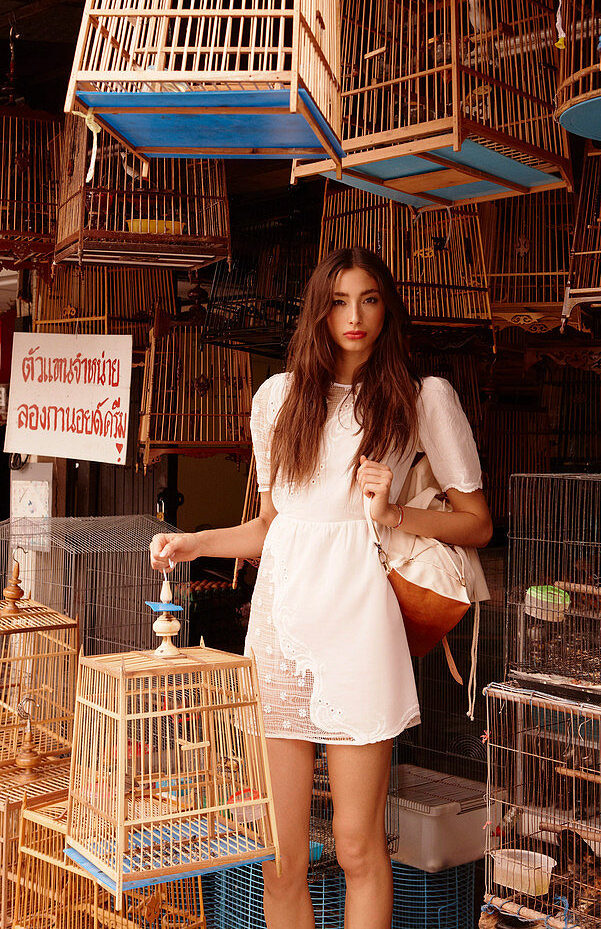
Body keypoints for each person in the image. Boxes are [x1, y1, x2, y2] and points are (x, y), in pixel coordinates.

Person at [149, 246, 493, 929]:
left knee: (358, 846)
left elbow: (476, 524)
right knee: (279, 855)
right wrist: (198, 543)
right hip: (280, 631)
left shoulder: (422, 398)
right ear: (318, 310)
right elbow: (275, 525)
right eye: (338, 301)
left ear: (387, 308)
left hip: (360, 631)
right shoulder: (278, 398)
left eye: (368, 299)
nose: (354, 316)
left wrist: (392, 513)